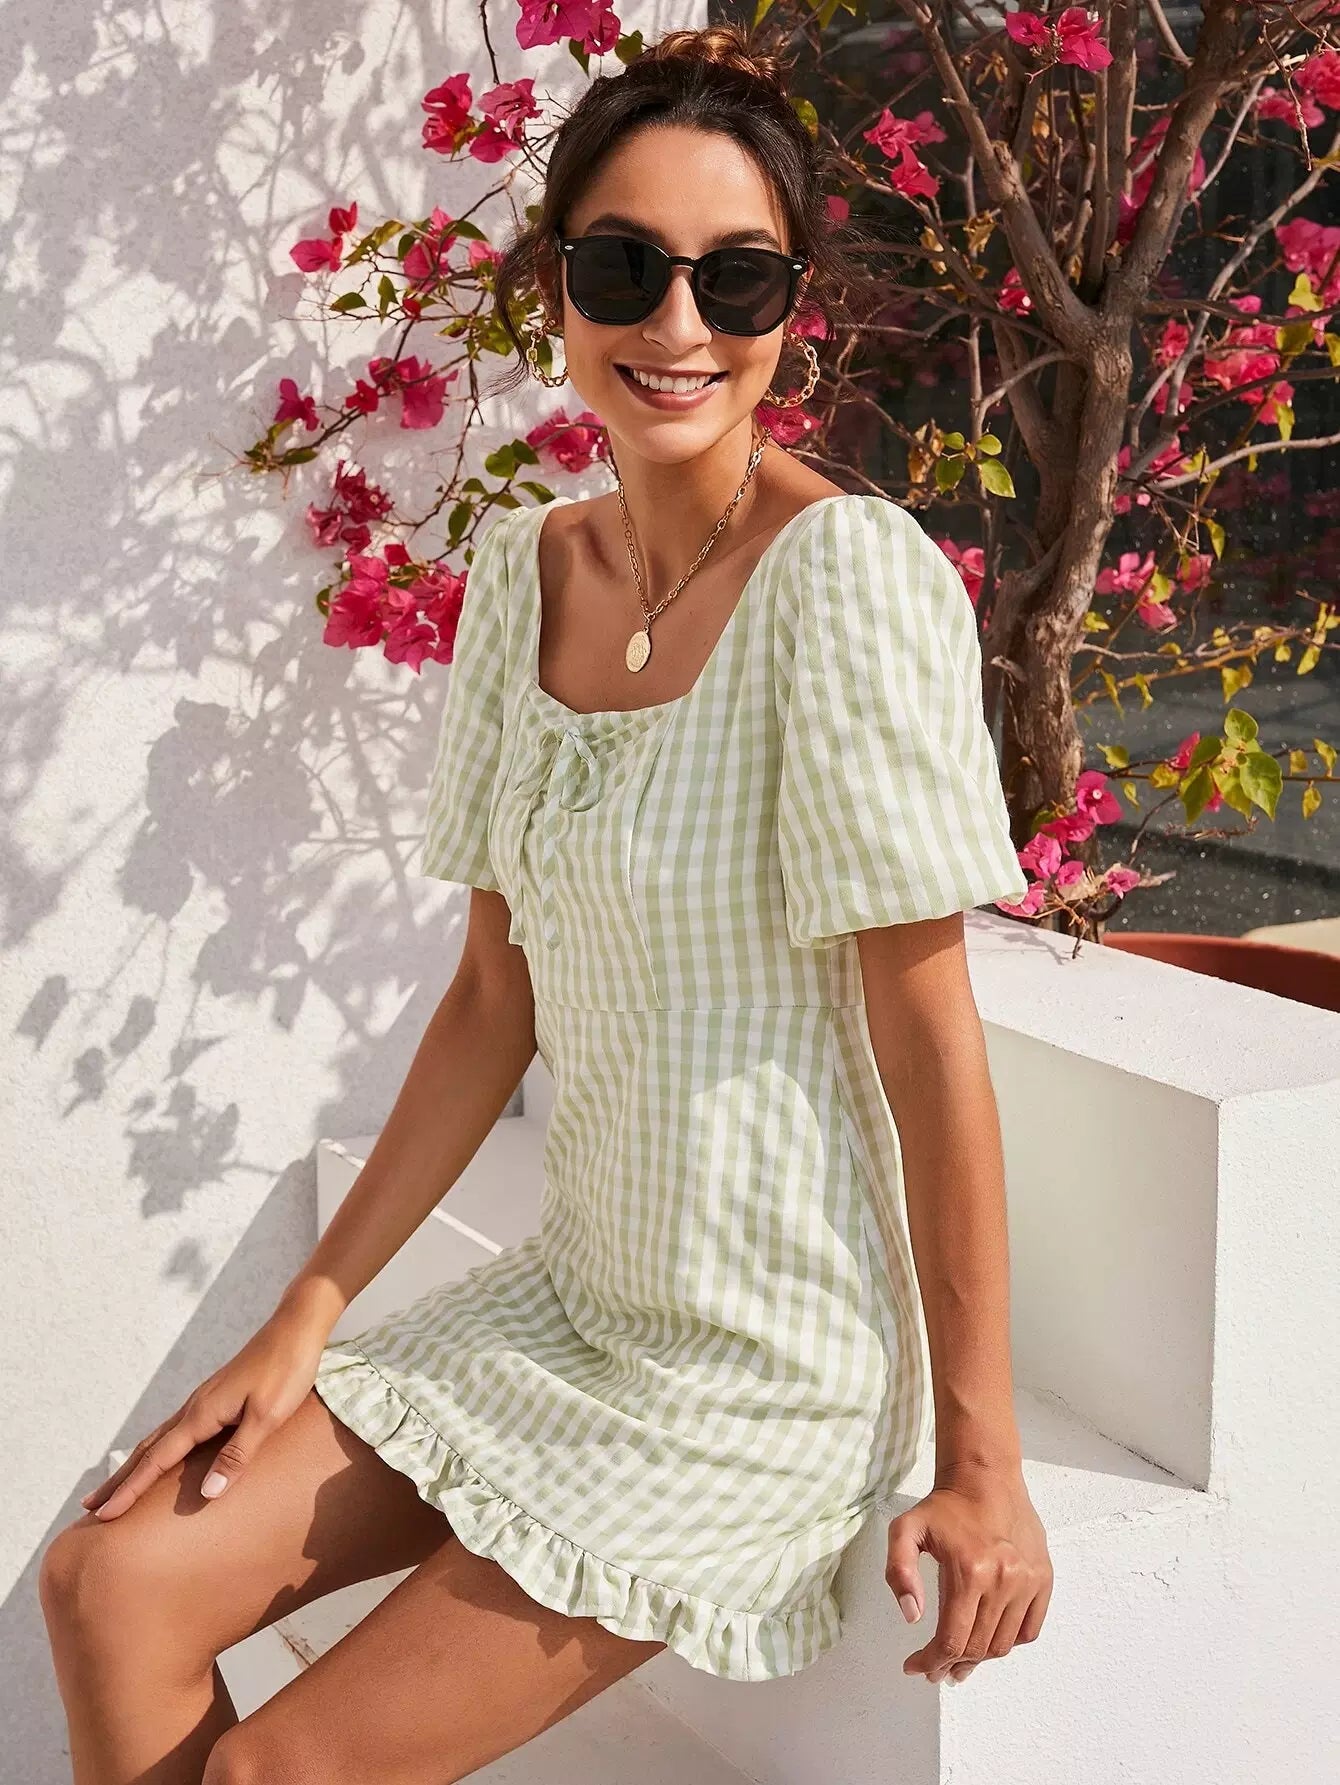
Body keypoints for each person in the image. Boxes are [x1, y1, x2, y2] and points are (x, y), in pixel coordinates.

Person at [40, 22, 1053, 1783]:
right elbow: (490, 998)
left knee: (282, 1772)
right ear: (556, 288)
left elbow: (928, 1038)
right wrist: (305, 1314)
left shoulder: (847, 583)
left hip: (758, 1375)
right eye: (625, 268)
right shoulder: (524, 575)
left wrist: (984, 1463)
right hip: (571, 1305)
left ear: (792, 309)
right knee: (104, 1581)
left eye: (737, 278)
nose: (680, 324)